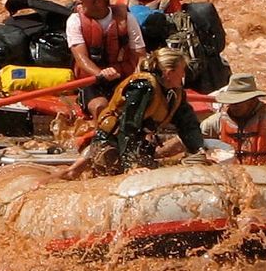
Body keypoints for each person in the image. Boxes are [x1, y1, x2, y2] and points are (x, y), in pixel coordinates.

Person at [66, 47, 205, 177]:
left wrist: (198, 149)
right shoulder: (143, 87)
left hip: (141, 142)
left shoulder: (175, 92)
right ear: (169, 73)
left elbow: (188, 123)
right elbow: (128, 125)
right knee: (105, 169)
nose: (184, 75)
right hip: (111, 141)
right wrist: (131, 164)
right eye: (182, 71)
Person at [65, 0, 145, 117]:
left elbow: (140, 55)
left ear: (99, 0)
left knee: (134, 108)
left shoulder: (127, 19)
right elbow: (81, 58)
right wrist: (100, 74)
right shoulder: (74, 21)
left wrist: (139, 80)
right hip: (92, 80)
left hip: (122, 77)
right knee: (100, 107)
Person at [201, 74, 266, 166]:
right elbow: (195, 142)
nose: (234, 106)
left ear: (252, 100)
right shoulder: (218, 120)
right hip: (234, 176)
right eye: (231, 102)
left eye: (239, 102)